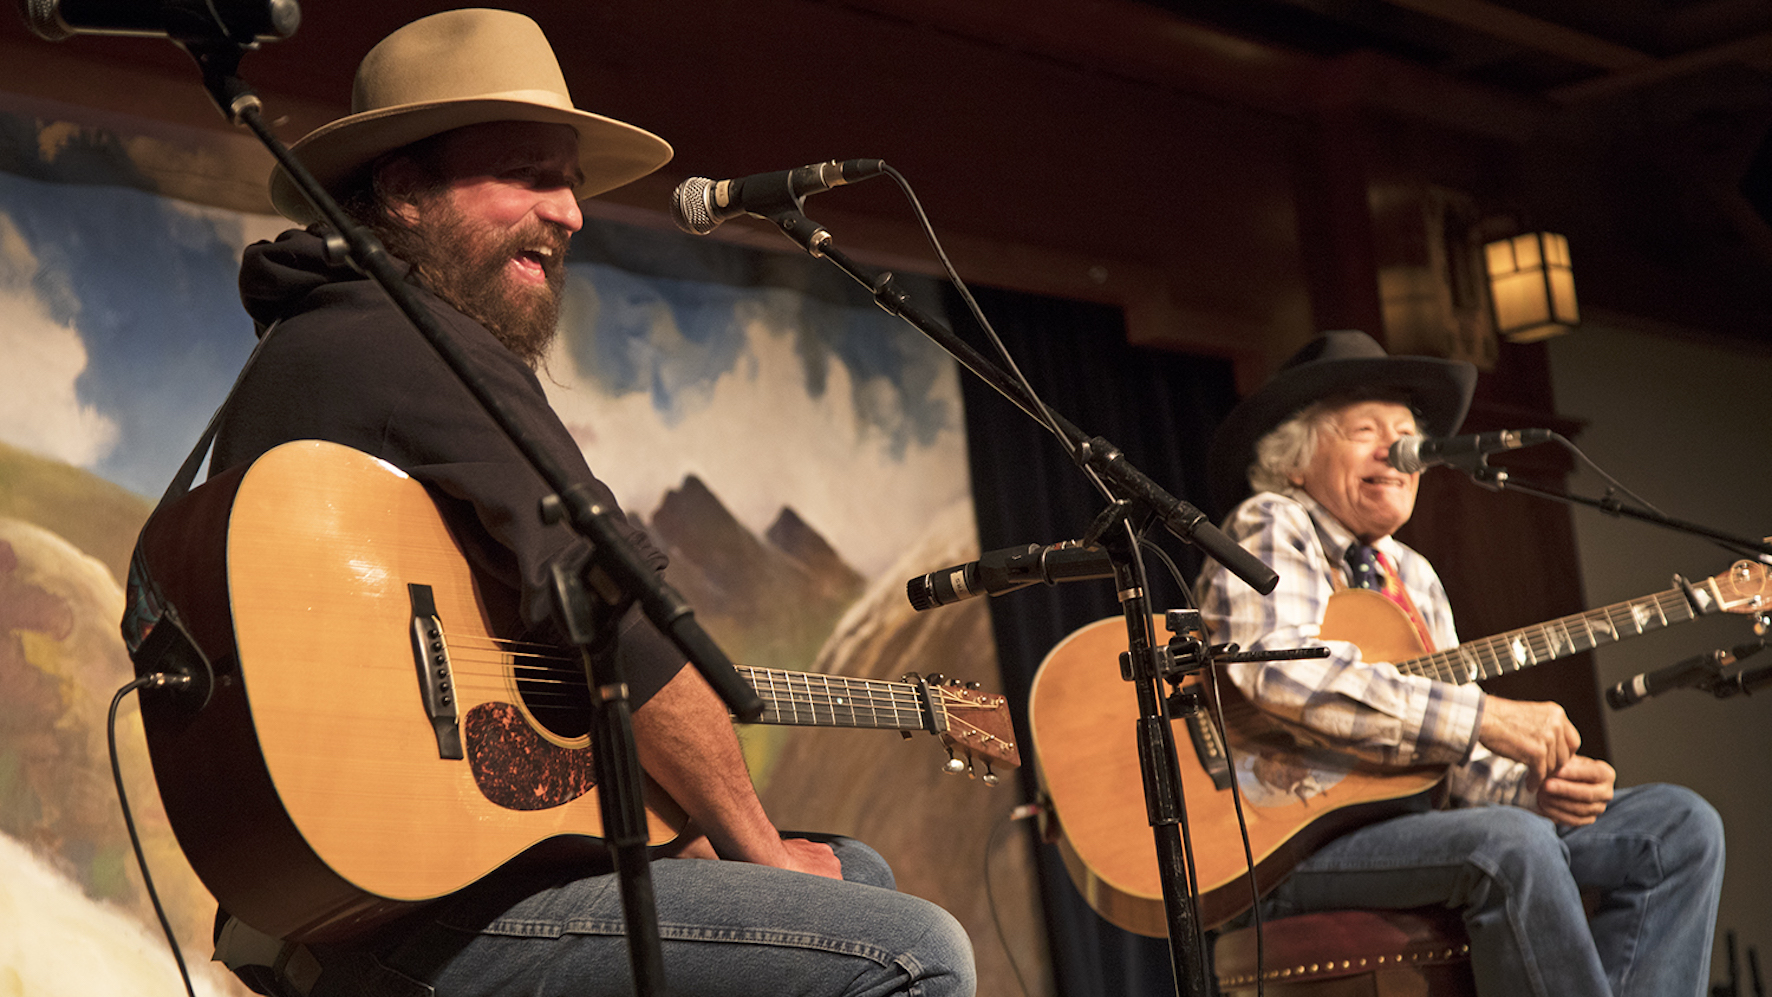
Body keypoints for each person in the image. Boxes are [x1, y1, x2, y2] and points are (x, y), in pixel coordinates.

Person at [196, 10, 975, 997]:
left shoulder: (318, 340)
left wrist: (697, 835)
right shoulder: (415, 341)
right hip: (402, 909)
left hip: (338, 897)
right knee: (909, 950)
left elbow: (552, 644)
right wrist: (755, 849)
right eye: (528, 174)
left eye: (567, 181)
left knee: (854, 882)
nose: (570, 211)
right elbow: (626, 612)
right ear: (402, 192)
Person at [1193, 330, 1724, 997]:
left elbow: (1456, 761)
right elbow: (1282, 673)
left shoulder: (1410, 573)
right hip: (1286, 846)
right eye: (1366, 430)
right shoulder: (1274, 521)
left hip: (1421, 829)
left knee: (1678, 825)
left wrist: (1534, 789)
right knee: (1511, 844)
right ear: (1295, 461)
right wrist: (1485, 714)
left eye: (1409, 434)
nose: (1398, 449)